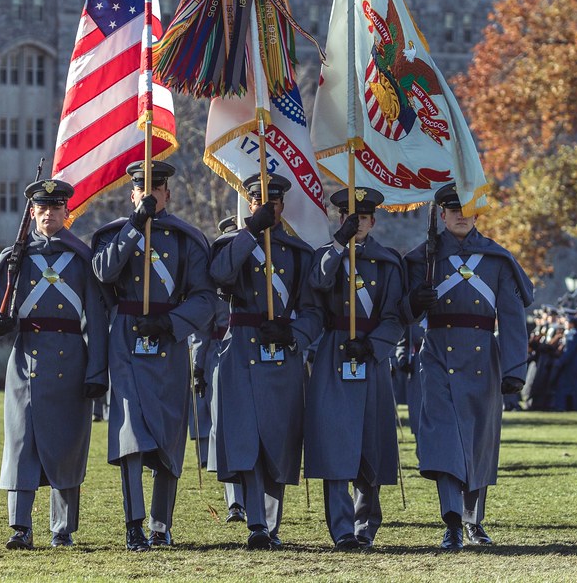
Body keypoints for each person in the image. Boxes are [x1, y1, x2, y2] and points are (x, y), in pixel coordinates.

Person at [92, 160, 216, 551]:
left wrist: (170, 324)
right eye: (141, 188)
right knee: (129, 433)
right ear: (132, 193)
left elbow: (204, 297)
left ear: (167, 192)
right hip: (127, 342)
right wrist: (134, 225)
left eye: (156, 188)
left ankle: (162, 526)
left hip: (168, 343)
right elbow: (103, 272)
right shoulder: (115, 234)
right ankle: (134, 524)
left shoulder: (187, 240)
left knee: (168, 435)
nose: (149, 193)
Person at [0, 178, 108, 550]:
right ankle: (20, 527)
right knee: (20, 444)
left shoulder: (83, 260)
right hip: (25, 360)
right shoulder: (15, 257)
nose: (49, 214)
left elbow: (97, 322)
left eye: (56, 208)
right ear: (32, 212)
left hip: (71, 363)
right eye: (42, 208)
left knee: (67, 446)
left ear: (67, 212)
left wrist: (98, 370)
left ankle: (62, 529)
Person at [404, 182, 532, 552]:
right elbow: (403, 313)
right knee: (443, 440)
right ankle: (453, 522)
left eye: (467, 208)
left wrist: (514, 369)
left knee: (478, 442)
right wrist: (416, 300)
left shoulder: (497, 259)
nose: (461, 214)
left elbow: (511, 316)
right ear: (441, 215)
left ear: (477, 213)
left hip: (482, 360)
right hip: (437, 355)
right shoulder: (421, 259)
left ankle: (475, 521)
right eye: (453, 208)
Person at [208, 174, 314, 550]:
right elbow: (220, 275)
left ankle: (272, 522)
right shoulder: (232, 244)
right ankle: (256, 522)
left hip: (281, 355)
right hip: (240, 352)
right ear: (248, 203)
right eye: (257, 200)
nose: (266, 205)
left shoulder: (300, 253)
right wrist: (251, 231)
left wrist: (293, 335)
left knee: (278, 439)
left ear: (283, 205)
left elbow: (313, 311)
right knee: (247, 437)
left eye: (272, 200)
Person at [297, 187, 405, 551]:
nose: (355, 222)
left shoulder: (388, 262)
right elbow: (318, 283)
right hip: (334, 353)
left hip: (370, 357)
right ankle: (341, 528)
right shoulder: (325, 257)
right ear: (338, 219)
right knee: (333, 441)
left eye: (361, 217)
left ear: (372, 221)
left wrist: (374, 347)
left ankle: (365, 524)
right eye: (347, 216)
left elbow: (394, 318)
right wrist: (339, 246)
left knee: (371, 442)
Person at [199, 216, 246, 524]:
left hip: (254, 356)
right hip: (220, 357)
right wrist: (197, 365)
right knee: (224, 428)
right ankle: (234, 502)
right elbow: (202, 331)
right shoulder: (215, 294)